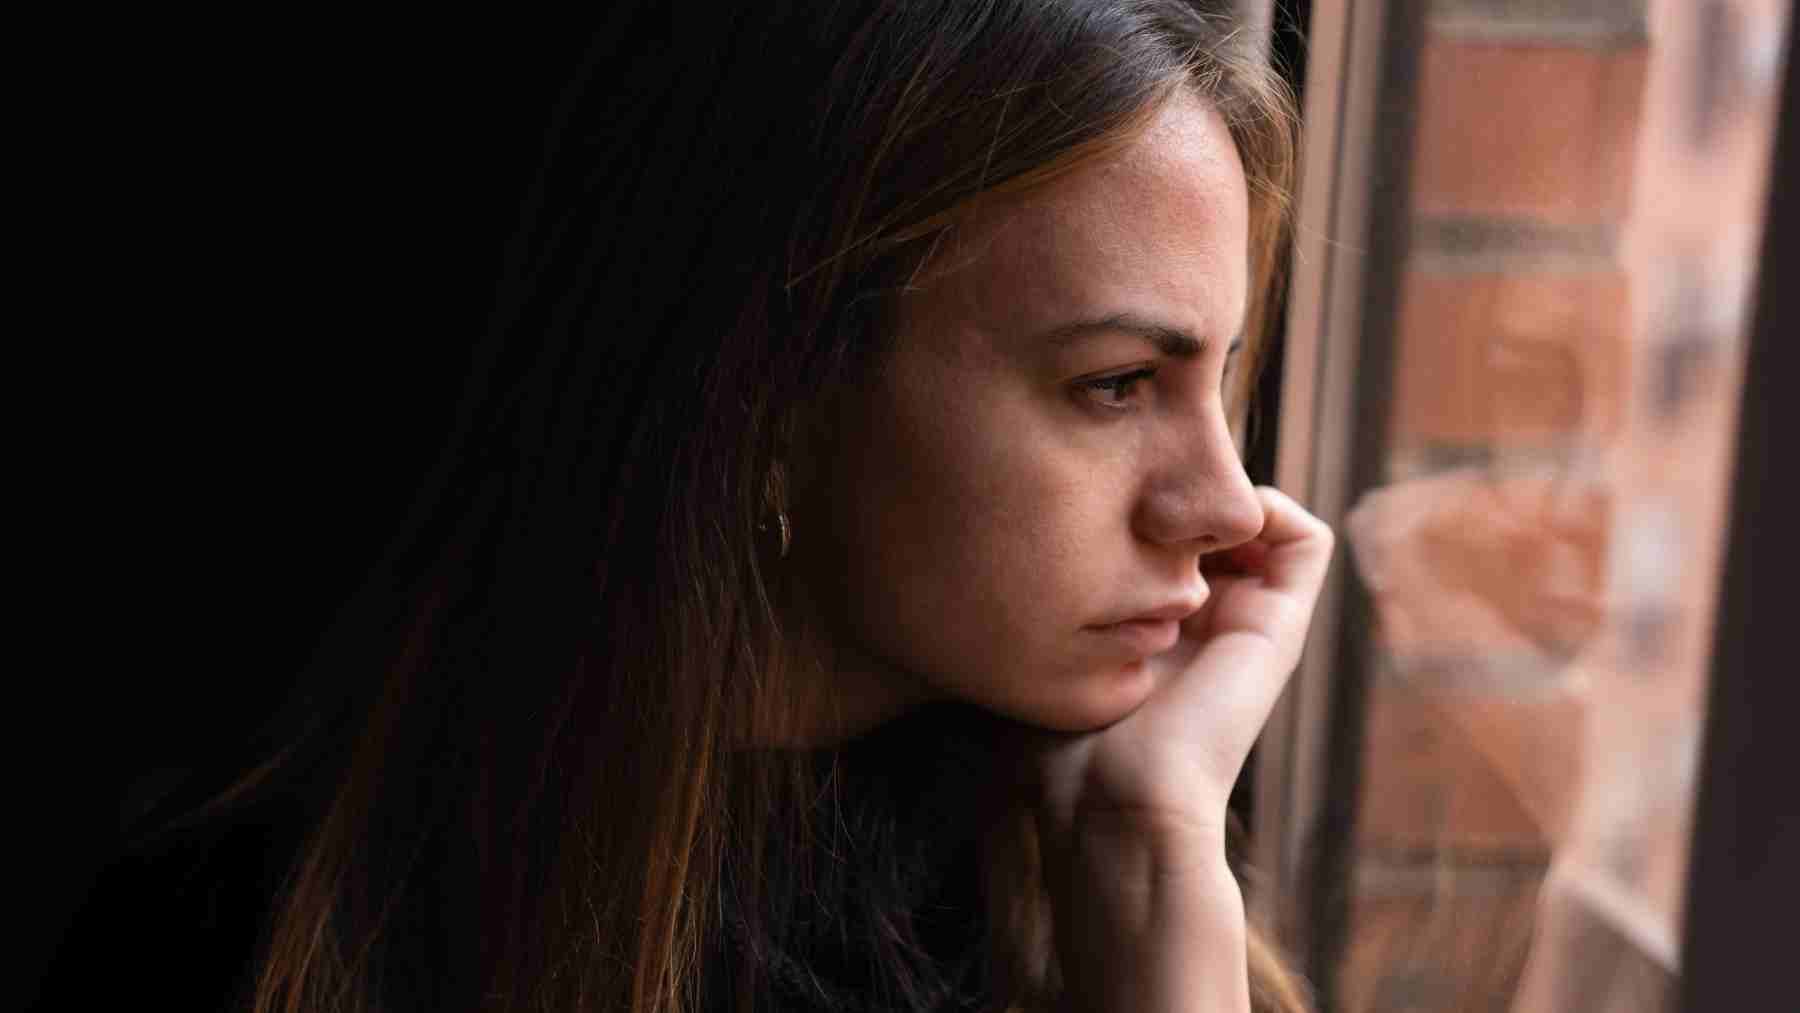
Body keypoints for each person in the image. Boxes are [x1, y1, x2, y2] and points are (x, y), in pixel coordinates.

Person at [87, 2, 1331, 1010]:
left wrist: (1157, 855)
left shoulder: (1084, 901)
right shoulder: (268, 927)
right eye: (1115, 384)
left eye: (1219, 380)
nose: (1227, 502)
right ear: (778, 400)